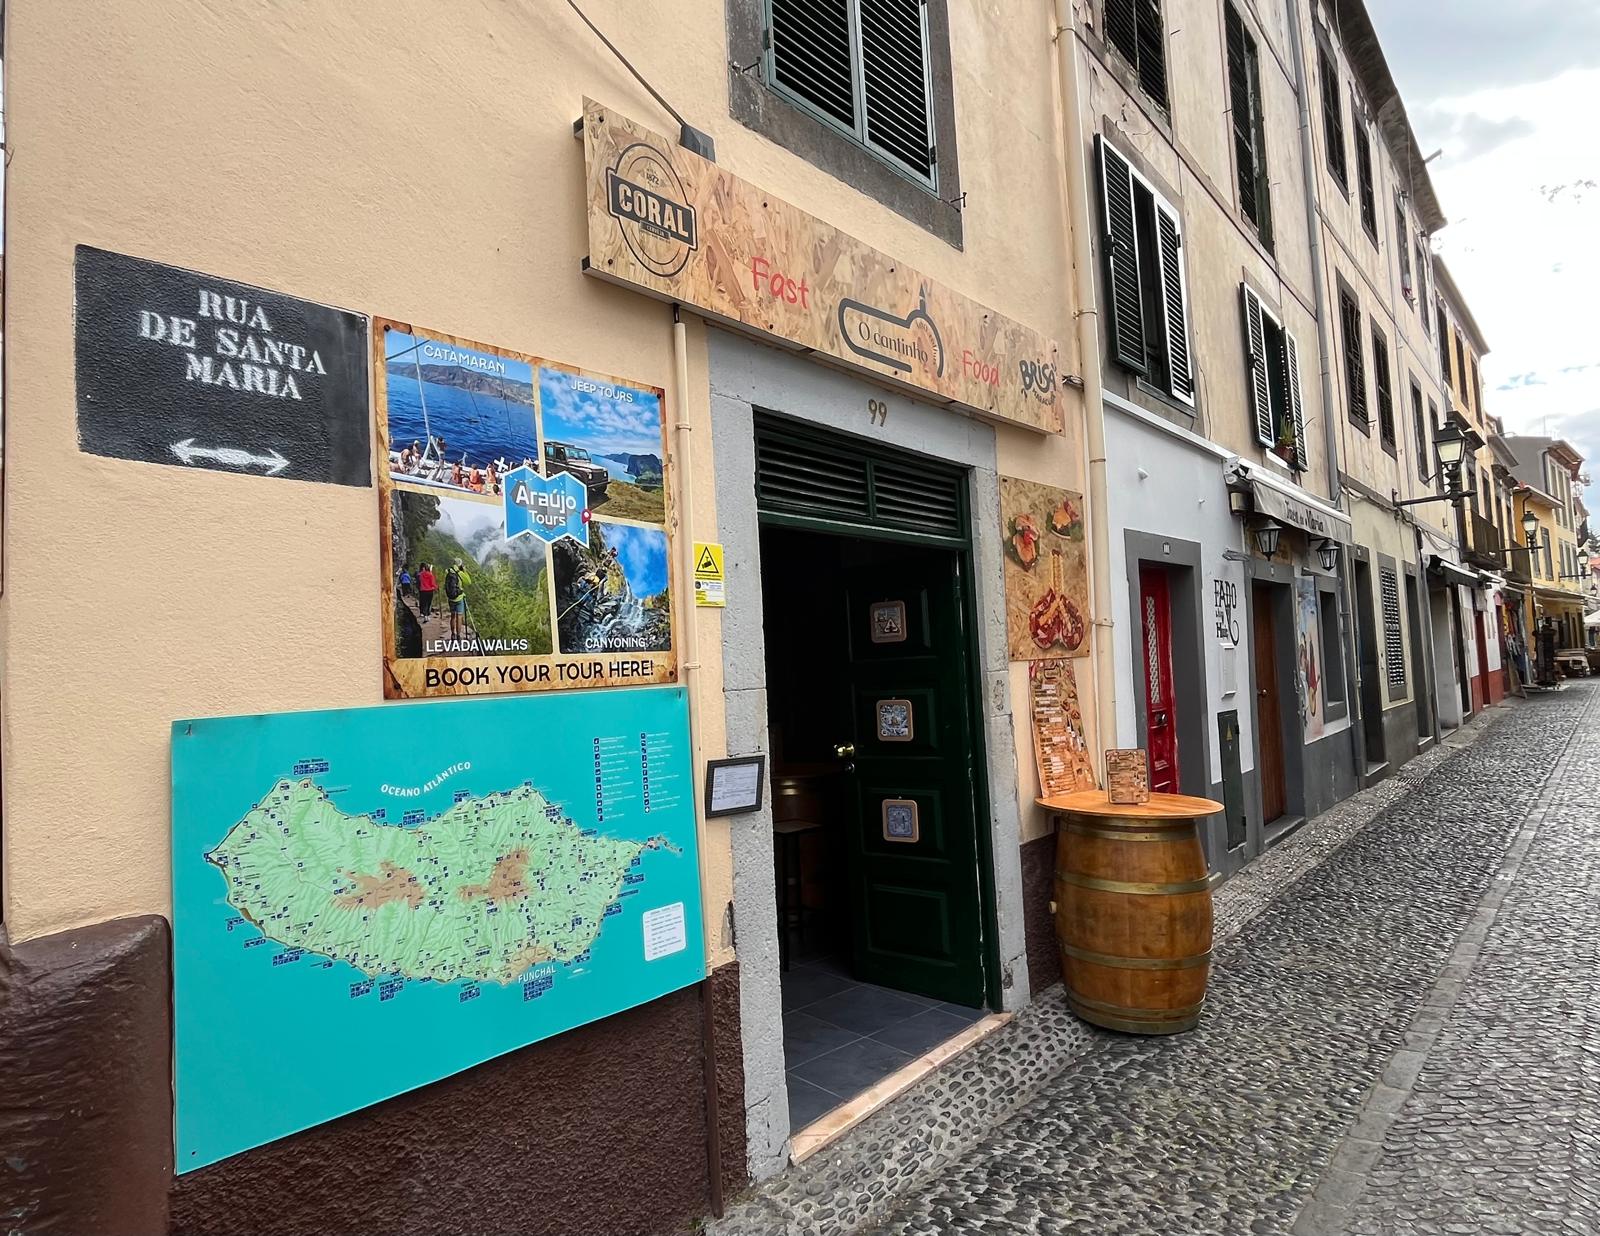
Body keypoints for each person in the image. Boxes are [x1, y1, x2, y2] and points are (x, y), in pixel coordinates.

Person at [444, 559, 471, 640]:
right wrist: (464, 571)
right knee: (459, 617)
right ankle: (458, 635)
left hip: (450, 598)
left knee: (452, 616)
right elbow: (468, 582)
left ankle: (453, 634)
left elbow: (446, 584)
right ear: (460, 564)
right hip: (459, 598)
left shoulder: (447, 571)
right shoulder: (460, 573)